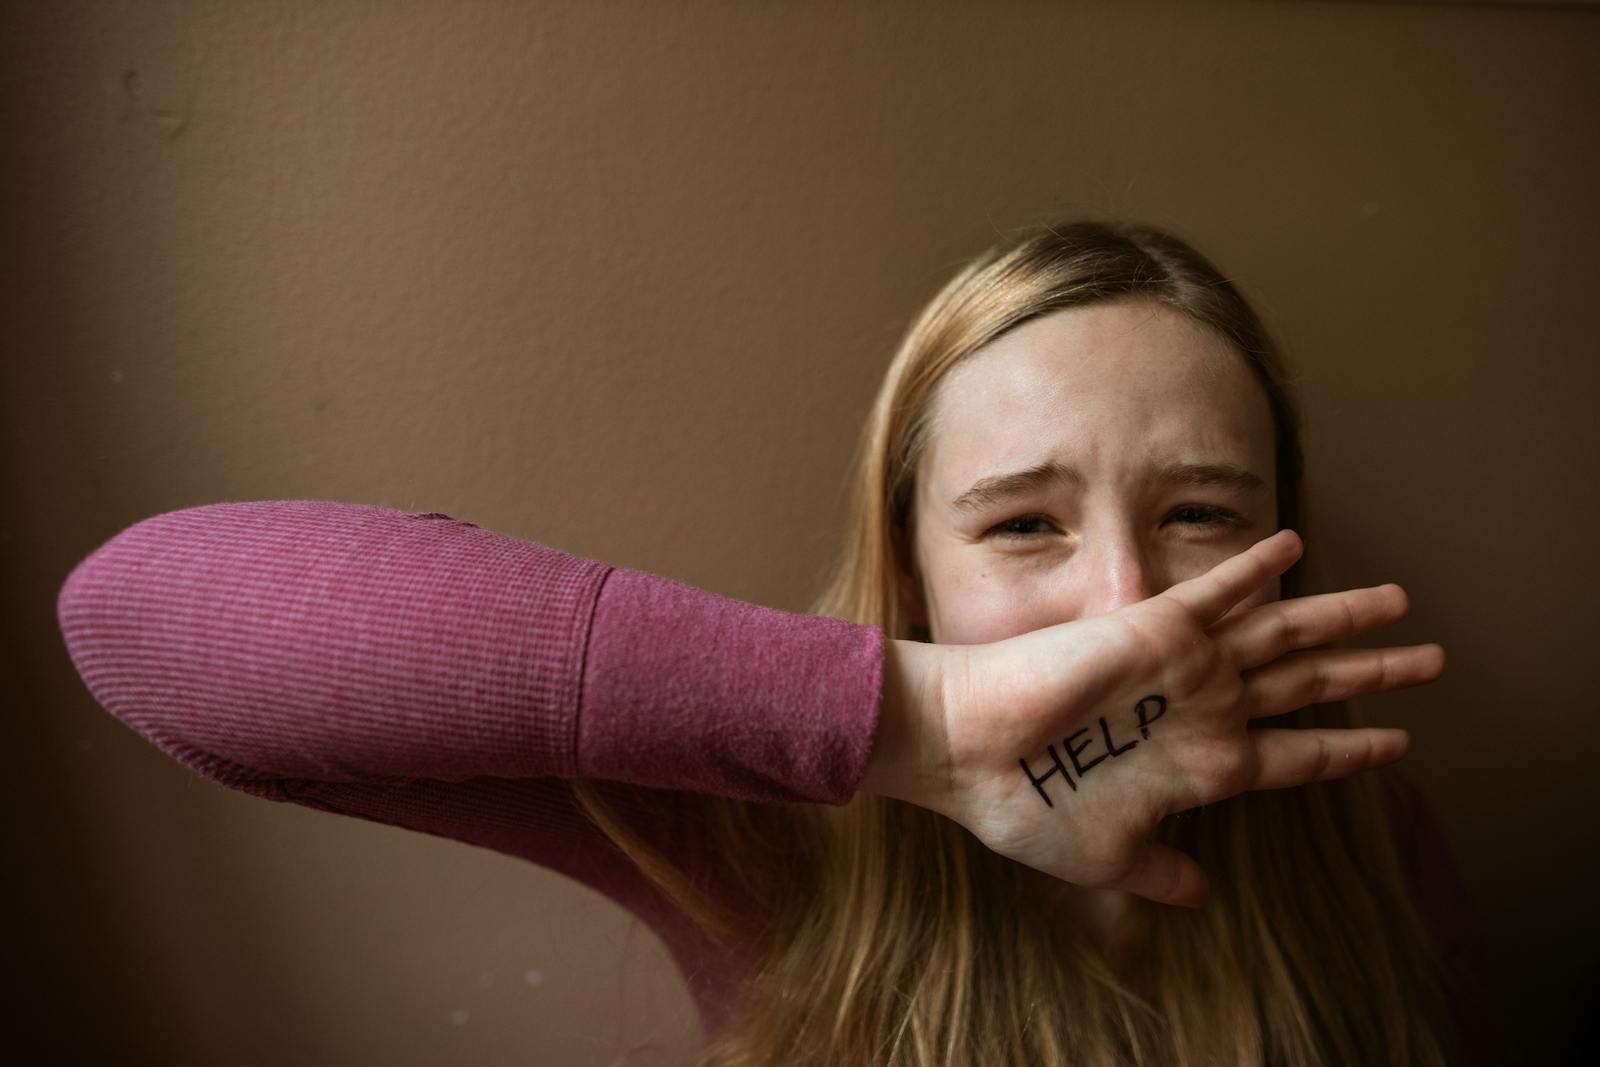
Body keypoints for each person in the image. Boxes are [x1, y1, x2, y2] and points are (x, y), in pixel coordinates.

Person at [55, 219, 1492, 1066]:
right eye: (1020, 527)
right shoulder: (774, 842)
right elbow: (134, 618)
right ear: (910, 567)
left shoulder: (1372, 847)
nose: (1119, 596)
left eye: (1198, 512)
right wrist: (919, 728)